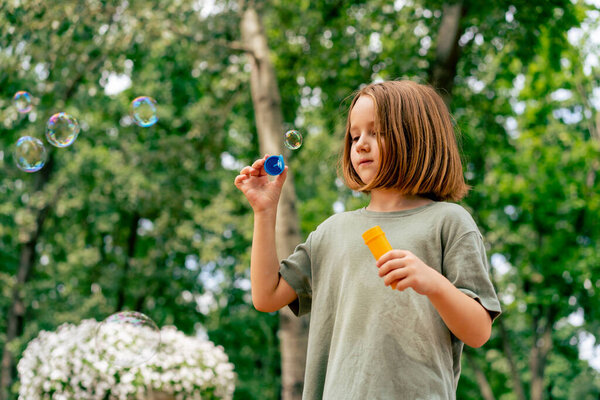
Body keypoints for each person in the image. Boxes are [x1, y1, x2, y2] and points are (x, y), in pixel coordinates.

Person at [234, 80, 501, 400]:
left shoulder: (448, 222)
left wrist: (432, 282)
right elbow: (267, 295)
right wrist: (265, 212)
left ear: (419, 138)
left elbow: (479, 331)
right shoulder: (331, 232)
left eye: (377, 131)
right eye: (354, 135)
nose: (360, 144)